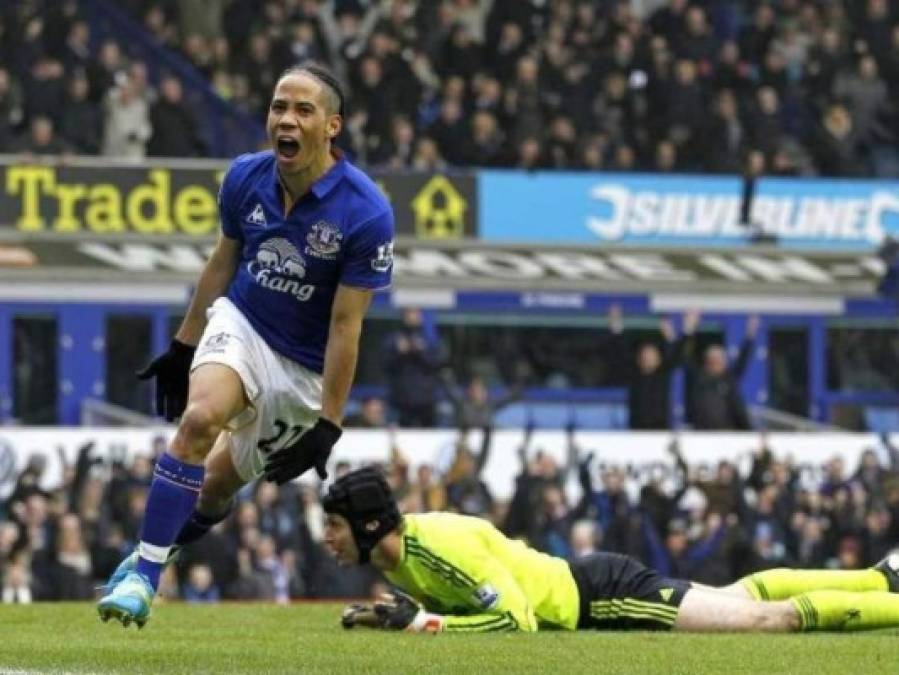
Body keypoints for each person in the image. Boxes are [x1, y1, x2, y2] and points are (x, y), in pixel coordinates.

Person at [97, 62, 395, 628]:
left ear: (332, 126)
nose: (286, 118)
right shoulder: (244, 178)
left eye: (303, 110)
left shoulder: (366, 212)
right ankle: (145, 579)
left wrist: (330, 422)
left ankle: (152, 551)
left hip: (304, 372)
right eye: (279, 107)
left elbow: (345, 327)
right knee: (198, 420)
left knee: (211, 491)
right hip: (246, 324)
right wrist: (185, 347)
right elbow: (224, 260)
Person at [329, 467, 899, 634]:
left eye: (334, 525)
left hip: (604, 598)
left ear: (371, 524)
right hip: (595, 583)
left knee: (762, 620)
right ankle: (879, 579)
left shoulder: (436, 549)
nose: (326, 537)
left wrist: (421, 626)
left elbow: (516, 620)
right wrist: (401, 619)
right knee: (739, 595)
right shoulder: (400, 554)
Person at [689, 316, 759, 430]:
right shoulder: (700, 379)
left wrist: (750, 335)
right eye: (716, 359)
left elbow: (742, 361)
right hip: (703, 435)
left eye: (722, 359)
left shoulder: (728, 379)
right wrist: (690, 331)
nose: (720, 362)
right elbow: (689, 356)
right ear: (709, 361)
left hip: (728, 434)